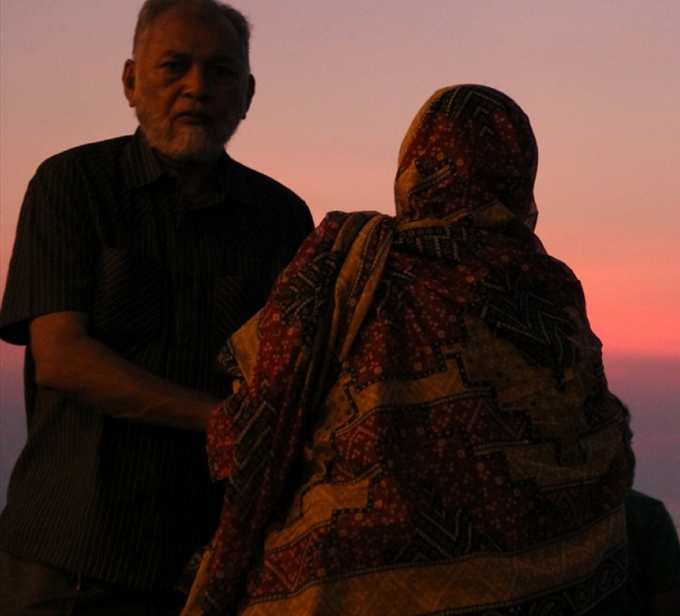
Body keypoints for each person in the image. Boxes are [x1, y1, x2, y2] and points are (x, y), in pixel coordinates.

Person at [183, 84, 633, 616]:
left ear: (413, 165)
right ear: (518, 176)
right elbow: (598, 445)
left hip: (337, 584)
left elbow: (262, 406)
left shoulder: (349, 258)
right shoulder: (552, 294)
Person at [0, 0, 314, 615]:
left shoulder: (282, 219)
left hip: (211, 563)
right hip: (71, 557)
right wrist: (220, 419)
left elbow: (298, 373)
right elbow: (62, 358)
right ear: (130, 81)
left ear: (248, 94)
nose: (197, 88)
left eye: (220, 72)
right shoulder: (71, 185)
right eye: (174, 66)